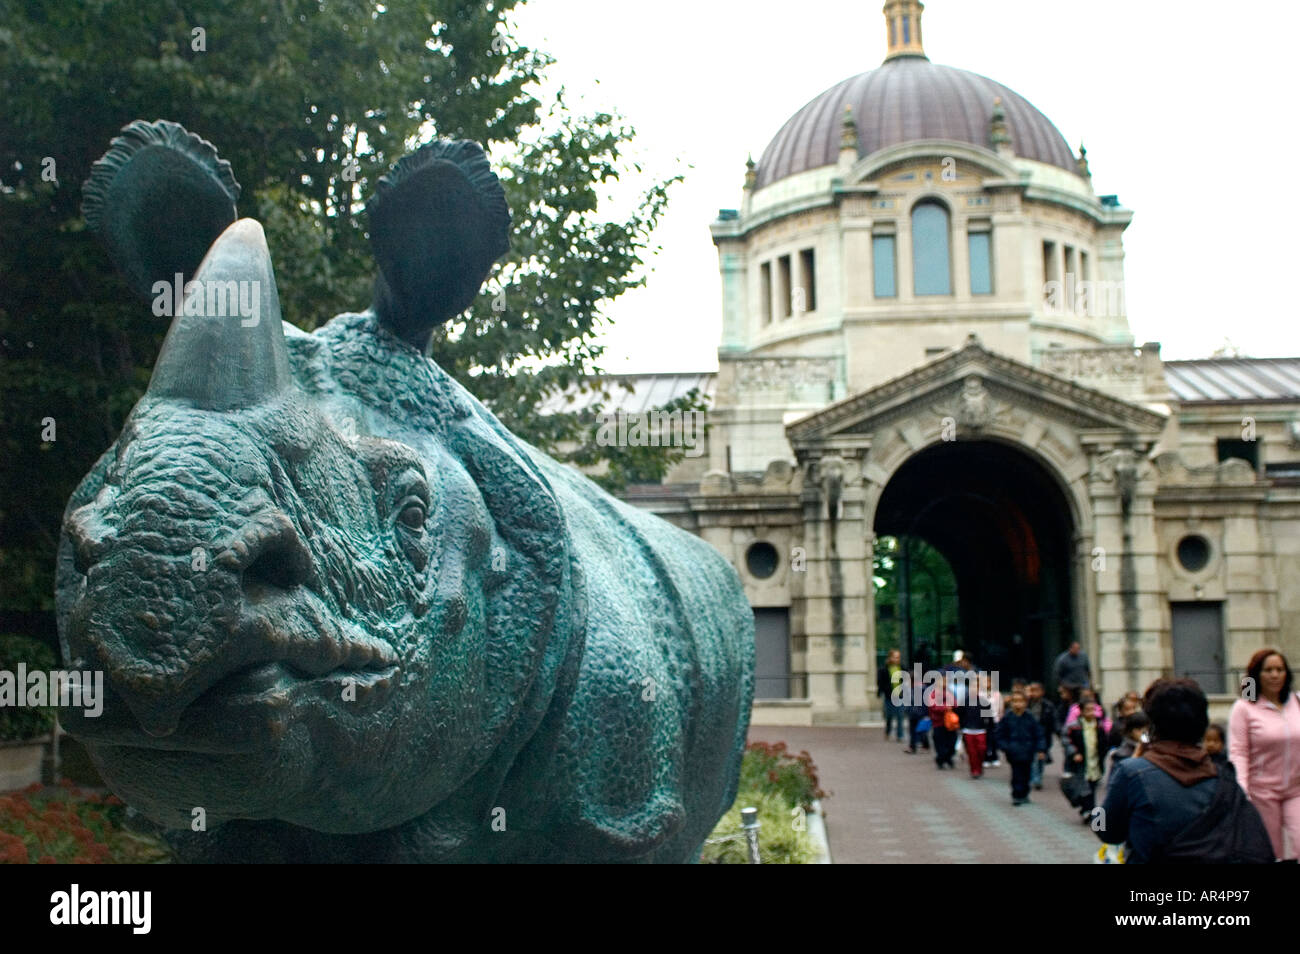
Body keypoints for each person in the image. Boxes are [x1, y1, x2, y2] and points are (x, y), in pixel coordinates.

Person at [1098, 678, 1272, 864]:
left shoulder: (1132, 772)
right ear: (1202, 723)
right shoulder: (1224, 776)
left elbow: (1104, 830)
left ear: (1153, 724)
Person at [1229, 648, 1300, 860]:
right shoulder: (1244, 708)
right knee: (1269, 851)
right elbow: (1238, 751)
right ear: (1256, 675)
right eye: (1268, 670)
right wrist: (1243, 789)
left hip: (1296, 790)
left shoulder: (1297, 702)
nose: (1275, 675)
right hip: (1262, 793)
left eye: (1279, 669)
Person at [1065, 693, 1114, 821]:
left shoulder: (1099, 725)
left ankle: (1088, 809)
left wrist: (1104, 751)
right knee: (1083, 785)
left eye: (1093, 710)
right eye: (1087, 710)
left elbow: (1105, 740)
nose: (1091, 713)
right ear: (1080, 711)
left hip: (1095, 759)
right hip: (1082, 760)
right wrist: (1074, 752)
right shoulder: (1074, 726)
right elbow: (1066, 740)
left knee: (1092, 785)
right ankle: (1089, 809)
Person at [996, 689, 1046, 805]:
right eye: (1015, 701)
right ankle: (1017, 794)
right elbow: (999, 734)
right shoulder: (1007, 717)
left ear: (1025, 703)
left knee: (1027, 773)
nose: (1018, 704)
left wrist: (1040, 749)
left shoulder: (1030, 717)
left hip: (1028, 750)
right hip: (1013, 751)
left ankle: (1024, 793)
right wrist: (1005, 747)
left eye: (1020, 701)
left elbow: (1038, 733)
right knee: (1016, 773)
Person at [1025, 681, 1057, 791]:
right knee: (1033, 758)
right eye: (1032, 690)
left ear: (1042, 692)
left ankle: (1038, 775)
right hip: (1029, 735)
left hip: (1044, 735)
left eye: (1036, 690)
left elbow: (1053, 721)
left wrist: (1056, 732)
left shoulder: (1048, 706)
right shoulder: (1026, 704)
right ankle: (1035, 778)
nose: (1034, 693)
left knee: (1041, 758)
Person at [1107, 710, 1150, 784]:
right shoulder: (1122, 753)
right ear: (1131, 731)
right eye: (1140, 730)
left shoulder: (1149, 747)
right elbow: (1115, 782)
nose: (1145, 734)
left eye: (1147, 730)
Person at [877, 648, 906, 742]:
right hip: (889, 696)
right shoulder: (884, 669)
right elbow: (880, 682)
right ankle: (888, 731)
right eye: (895, 657)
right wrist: (880, 692)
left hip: (900, 696)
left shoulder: (902, 668)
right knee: (889, 716)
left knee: (900, 716)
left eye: (898, 657)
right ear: (890, 657)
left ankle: (900, 735)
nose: (897, 659)